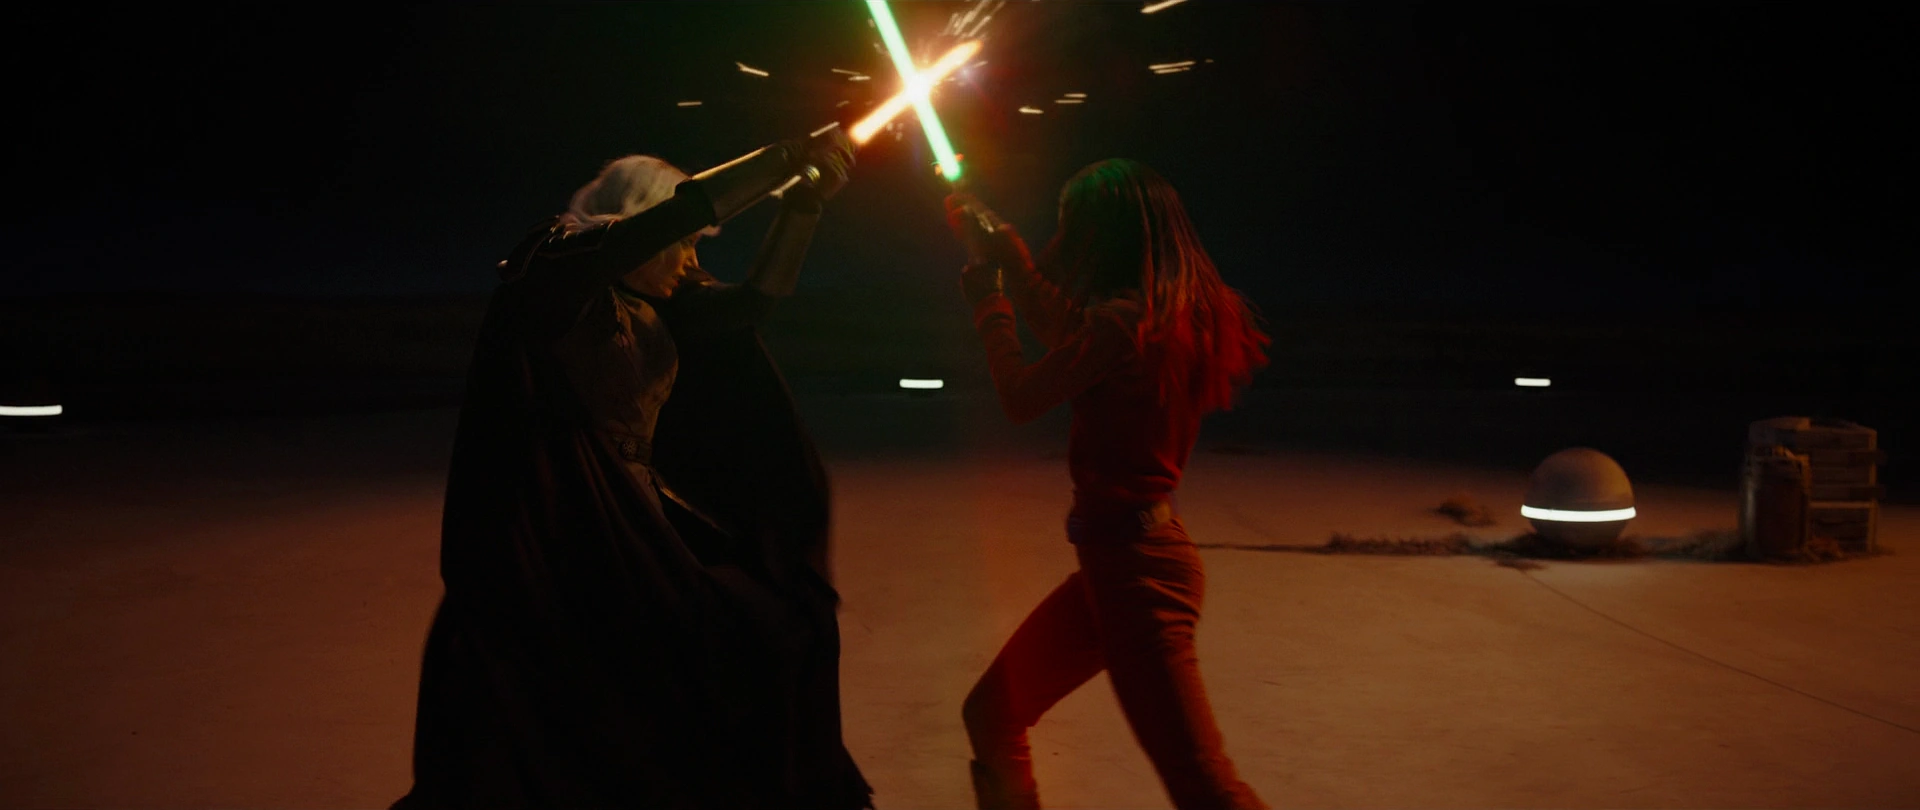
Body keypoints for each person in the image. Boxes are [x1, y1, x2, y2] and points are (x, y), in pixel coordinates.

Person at [392, 126, 873, 810]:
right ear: (644, 226)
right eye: (682, 243)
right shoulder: (556, 277)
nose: (690, 259)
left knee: (778, 627)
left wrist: (804, 203)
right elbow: (669, 220)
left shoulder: (659, 307)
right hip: (566, 536)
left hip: (636, 525)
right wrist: (786, 156)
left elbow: (752, 303)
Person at [948, 159, 1271, 810]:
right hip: (1120, 564)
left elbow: (1022, 396)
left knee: (1203, 786)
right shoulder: (1157, 317)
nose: (1065, 237)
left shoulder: (1125, 324)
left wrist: (990, 303)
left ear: (1103, 233)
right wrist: (1011, 259)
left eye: (1071, 224)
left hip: (1138, 579)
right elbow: (1073, 336)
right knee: (992, 713)